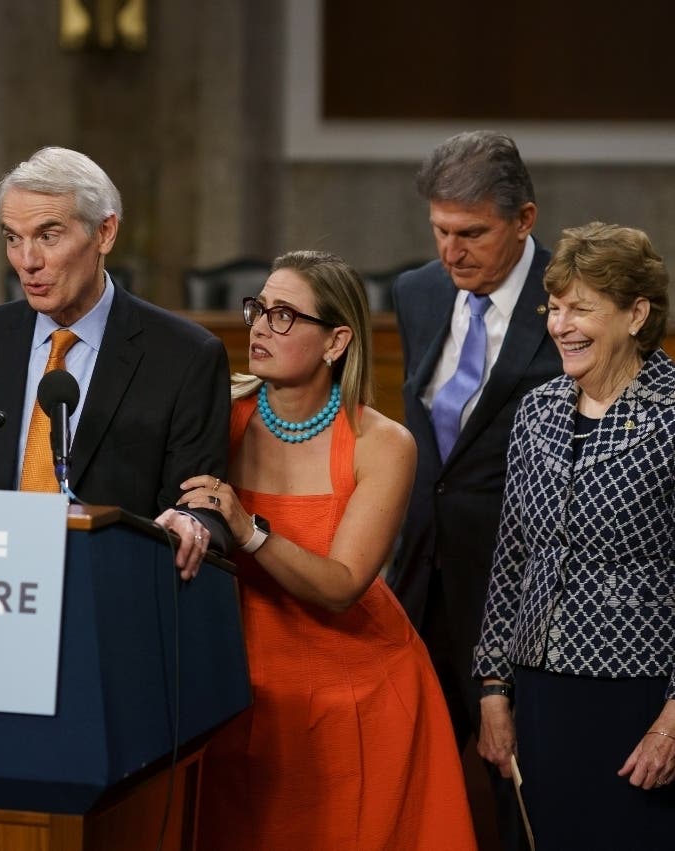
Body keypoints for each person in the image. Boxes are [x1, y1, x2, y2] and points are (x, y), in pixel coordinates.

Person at [172, 249, 476, 849]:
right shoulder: (217, 414)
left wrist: (249, 527)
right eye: (259, 308)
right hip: (234, 690)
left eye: (284, 315)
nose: (260, 325)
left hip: (356, 695)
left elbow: (341, 587)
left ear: (336, 341)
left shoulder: (383, 442)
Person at [0, 146, 231, 576]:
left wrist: (194, 522)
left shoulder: (184, 357)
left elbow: (197, 506)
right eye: (13, 237)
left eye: (48, 235)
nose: (27, 262)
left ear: (104, 232)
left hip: (112, 596)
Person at [385, 130, 561, 847]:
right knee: (404, 780)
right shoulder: (418, 291)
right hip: (419, 580)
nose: (450, 251)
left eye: (470, 233)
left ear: (523, 220)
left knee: (518, 789)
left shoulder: (572, 301)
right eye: (438, 230)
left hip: (517, 591)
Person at [473, 222, 675, 848]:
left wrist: (673, 723)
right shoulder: (537, 409)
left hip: (640, 697)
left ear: (636, 313)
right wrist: (493, 689)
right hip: (540, 696)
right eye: (554, 308)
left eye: (582, 308)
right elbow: (512, 558)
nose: (561, 325)